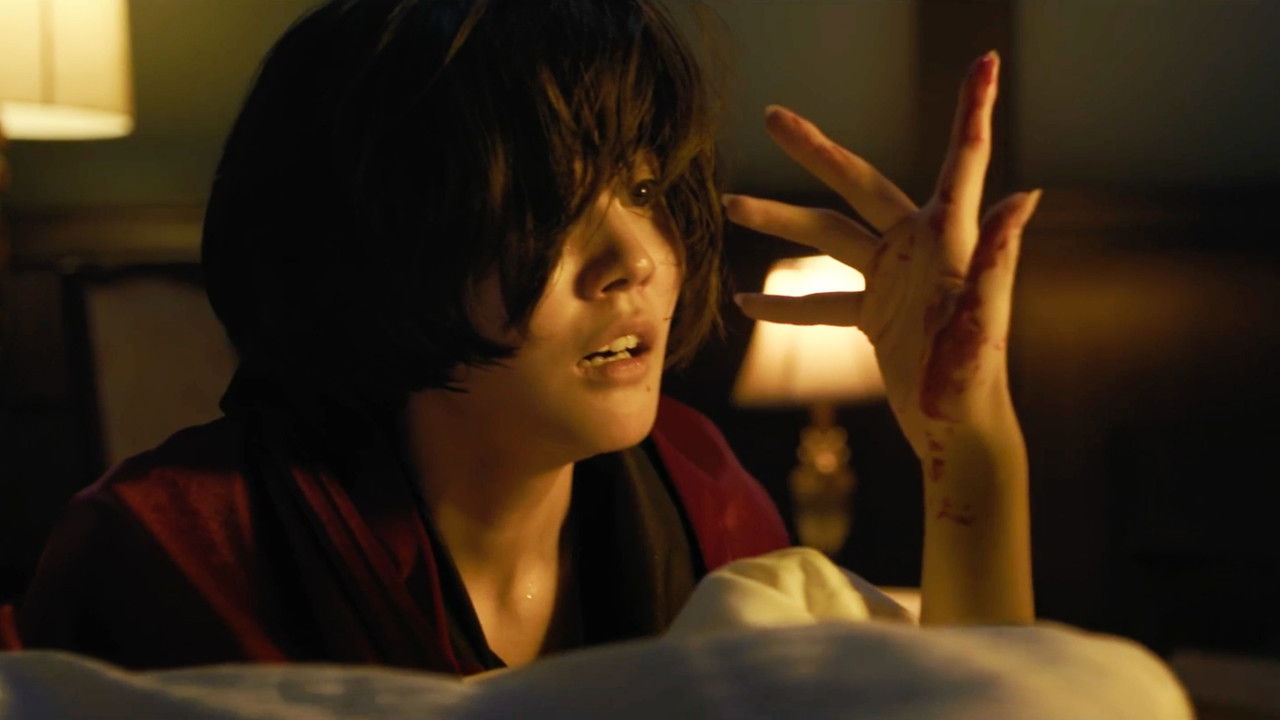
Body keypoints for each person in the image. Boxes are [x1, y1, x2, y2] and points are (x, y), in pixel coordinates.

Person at [4, 0, 1037, 672]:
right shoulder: (172, 548)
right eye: (545, 208)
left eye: (644, 190)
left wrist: (969, 443)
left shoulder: (699, 492)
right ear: (383, 240)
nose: (635, 259)